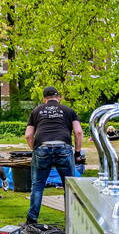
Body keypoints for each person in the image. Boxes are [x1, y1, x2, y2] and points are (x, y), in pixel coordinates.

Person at [24, 86, 83, 225]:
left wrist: (36, 150)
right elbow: (78, 132)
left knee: (38, 185)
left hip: (42, 147)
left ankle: (32, 220)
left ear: (44, 99)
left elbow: (28, 135)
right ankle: (71, 220)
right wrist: (78, 153)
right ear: (59, 97)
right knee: (69, 186)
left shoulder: (36, 111)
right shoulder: (68, 111)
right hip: (63, 146)